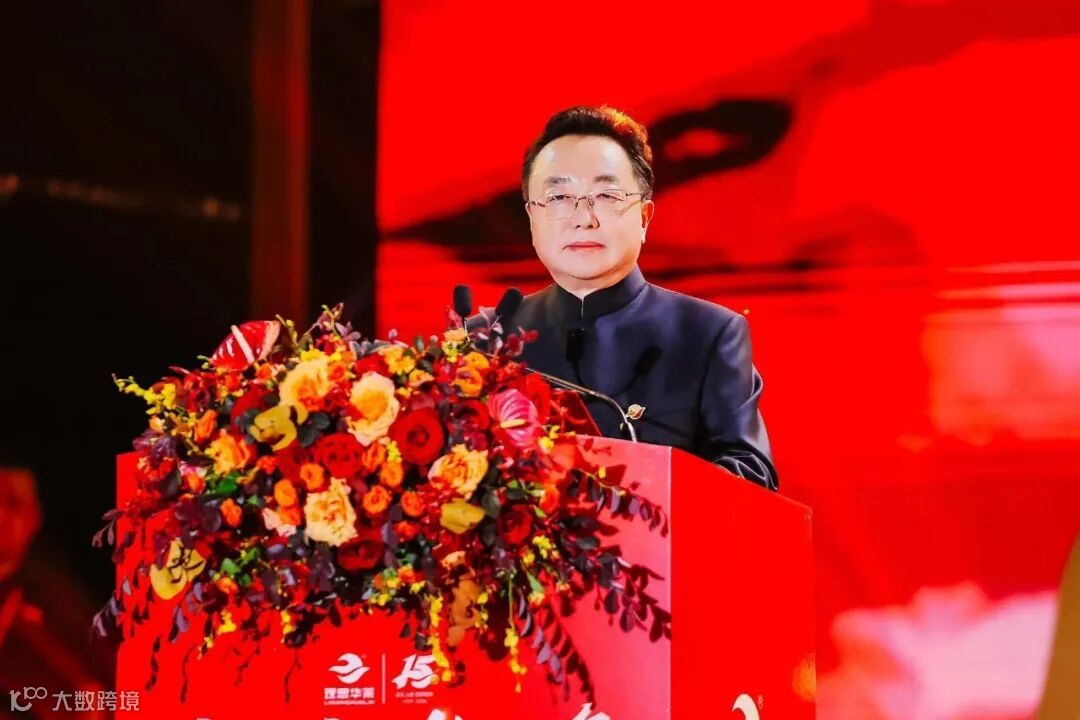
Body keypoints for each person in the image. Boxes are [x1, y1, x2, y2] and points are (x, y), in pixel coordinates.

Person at [507, 105, 778, 490]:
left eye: (607, 195)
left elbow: (751, 475)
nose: (584, 218)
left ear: (645, 218)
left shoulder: (708, 333)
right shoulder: (489, 338)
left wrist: (638, 483)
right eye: (559, 197)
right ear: (532, 219)